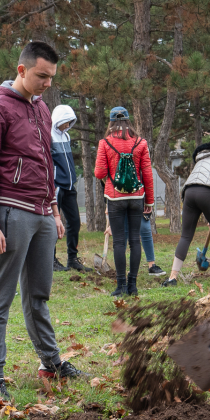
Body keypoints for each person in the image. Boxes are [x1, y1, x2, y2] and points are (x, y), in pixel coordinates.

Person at [0, 41, 88, 400]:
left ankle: (50, 362)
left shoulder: (42, 109)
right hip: (10, 214)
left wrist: (54, 211)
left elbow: (45, 166)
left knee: (38, 294)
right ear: (21, 70)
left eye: (51, 77)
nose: (47, 83)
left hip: (41, 216)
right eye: (41, 76)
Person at [94, 107, 154, 297]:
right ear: (129, 121)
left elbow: (99, 173)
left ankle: (120, 286)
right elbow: (147, 174)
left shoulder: (105, 143)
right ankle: (133, 285)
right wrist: (150, 201)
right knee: (135, 241)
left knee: (119, 242)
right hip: (137, 197)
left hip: (115, 197)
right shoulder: (140, 143)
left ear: (111, 122)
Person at [162, 140, 210, 286]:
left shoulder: (202, 156)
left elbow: (206, 182)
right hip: (208, 192)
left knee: (185, 236)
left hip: (189, 191)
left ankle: (172, 278)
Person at [51, 104, 87, 272]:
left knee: (74, 222)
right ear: (58, 119)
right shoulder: (49, 136)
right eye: (65, 121)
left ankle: (72, 259)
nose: (67, 125)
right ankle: (51, 259)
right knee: (53, 224)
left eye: (70, 122)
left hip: (69, 186)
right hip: (57, 186)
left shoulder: (66, 137)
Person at [106, 205, 166, 276]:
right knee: (123, 233)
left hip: (138, 199)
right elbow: (106, 193)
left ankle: (152, 266)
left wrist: (149, 202)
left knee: (145, 229)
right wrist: (108, 204)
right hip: (120, 199)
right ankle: (120, 270)